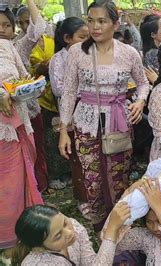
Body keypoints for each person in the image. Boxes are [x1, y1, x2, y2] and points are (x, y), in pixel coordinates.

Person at [58, 1, 150, 232]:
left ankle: (120, 221)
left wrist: (140, 101)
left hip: (119, 121)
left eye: (101, 21)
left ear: (115, 24)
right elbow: (69, 91)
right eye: (91, 21)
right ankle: (100, 224)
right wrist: (64, 131)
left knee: (119, 175)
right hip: (86, 123)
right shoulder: (77, 52)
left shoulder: (129, 53)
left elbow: (143, 83)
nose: (95, 27)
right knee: (92, 177)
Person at [0, 38, 44, 255]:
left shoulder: (6, 45)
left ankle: (20, 236)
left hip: (16, 124)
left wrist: (29, 85)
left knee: (16, 182)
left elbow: (22, 76)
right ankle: (7, 241)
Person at [49, 16, 89, 204]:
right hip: (71, 114)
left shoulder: (89, 55)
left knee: (91, 154)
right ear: (67, 39)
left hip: (89, 112)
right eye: (82, 37)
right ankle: (82, 197)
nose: (87, 41)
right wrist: (82, 87)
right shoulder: (58, 59)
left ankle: (95, 194)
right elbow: (58, 88)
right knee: (77, 158)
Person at [12, 204, 130, 265]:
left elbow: (89, 262)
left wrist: (109, 241)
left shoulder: (74, 225)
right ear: (39, 248)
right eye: (58, 236)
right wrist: (110, 237)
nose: (69, 232)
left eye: (65, 222)